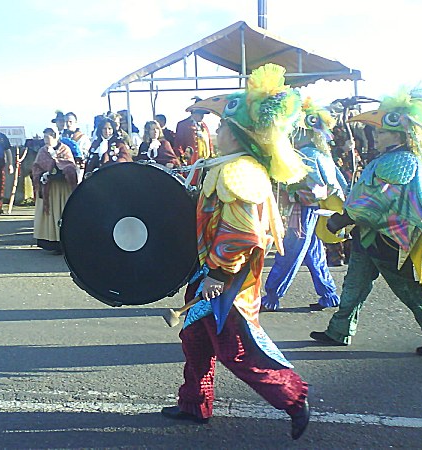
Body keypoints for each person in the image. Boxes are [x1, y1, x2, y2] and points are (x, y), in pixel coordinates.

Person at [161, 64, 310, 440]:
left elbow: (242, 233)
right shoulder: (228, 166)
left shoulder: (239, 172)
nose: (216, 130)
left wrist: (218, 272)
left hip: (227, 279)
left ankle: (292, 396)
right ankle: (195, 403)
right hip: (209, 272)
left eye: (222, 126)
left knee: (235, 350)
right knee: (194, 338)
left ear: (238, 134)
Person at [310, 87, 422, 357]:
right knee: (354, 285)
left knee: (410, 292)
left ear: (400, 134)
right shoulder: (387, 158)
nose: (376, 135)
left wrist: (341, 220)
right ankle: (339, 331)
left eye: (382, 131)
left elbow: (377, 203)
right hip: (368, 236)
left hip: (390, 239)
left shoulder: (401, 160)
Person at [261, 97, 348, 312]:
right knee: (313, 252)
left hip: (304, 209)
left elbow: (319, 187)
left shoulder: (307, 154)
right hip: (314, 210)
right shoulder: (320, 153)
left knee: (289, 252)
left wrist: (292, 194)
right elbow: (337, 184)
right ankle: (328, 294)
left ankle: (272, 296)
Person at [31, 128, 78, 254]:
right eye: (45, 137)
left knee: (62, 212)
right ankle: (52, 241)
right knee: (51, 214)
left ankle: (65, 241)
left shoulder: (65, 149)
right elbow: (36, 167)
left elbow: (70, 166)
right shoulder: (42, 151)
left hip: (62, 188)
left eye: (48, 137)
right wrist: (42, 175)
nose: (46, 140)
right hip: (49, 188)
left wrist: (56, 162)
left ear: (55, 136)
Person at [174, 99, 214, 166]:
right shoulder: (183, 125)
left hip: (205, 162)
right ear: (194, 112)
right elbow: (178, 144)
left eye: (203, 113)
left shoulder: (204, 126)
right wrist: (183, 160)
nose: (202, 116)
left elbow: (209, 142)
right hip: (191, 163)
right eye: (200, 113)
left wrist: (211, 156)